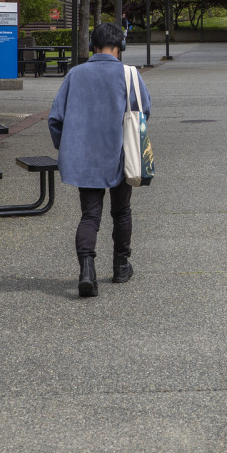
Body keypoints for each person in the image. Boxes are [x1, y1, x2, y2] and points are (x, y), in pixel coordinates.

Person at [48, 22, 152, 299]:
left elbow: (55, 119)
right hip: (120, 153)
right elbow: (145, 109)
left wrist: (68, 147)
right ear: (120, 47)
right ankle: (120, 265)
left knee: (90, 216)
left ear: (92, 46)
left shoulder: (75, 74)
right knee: (121, 211)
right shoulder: (129, 74)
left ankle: (86, 270)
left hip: (85, 157)